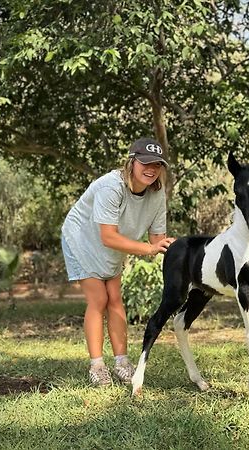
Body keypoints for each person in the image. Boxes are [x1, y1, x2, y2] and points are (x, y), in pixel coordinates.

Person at [61, 137, 174, 386]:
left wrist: (173, 249)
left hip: (110, 244)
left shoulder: (156, 195)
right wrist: (149, 248)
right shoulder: (111, 187)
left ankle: (122, 363)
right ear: (131, 162)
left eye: (157, 164)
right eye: (145, 162)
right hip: (81, 237)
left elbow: (158, 239)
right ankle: (97, 366)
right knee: (99, 299)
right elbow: (108, 236)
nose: (151, 169)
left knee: (115, 299)